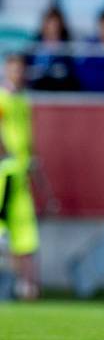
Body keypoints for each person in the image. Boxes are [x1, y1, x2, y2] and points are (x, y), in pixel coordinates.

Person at [0, 54, 39, 300]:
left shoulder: (23, 99)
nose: (17, 73)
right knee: (4, 229)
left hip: (21, 171)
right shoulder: (2, 98)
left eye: (20, 69)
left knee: (24, 231)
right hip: (6, 173)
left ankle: (25, 285)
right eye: (13, 69)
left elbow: (25, 135)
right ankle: (12, 283)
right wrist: (6, 156)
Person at [29, 7, 78, 91]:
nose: (53, 28)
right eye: (50, 23)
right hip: (38, 88)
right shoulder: (34, 46)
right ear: (44, 25)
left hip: (62, 88)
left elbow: (72, 70)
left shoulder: (69, 47)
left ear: (61, 26)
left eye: (56, 24)